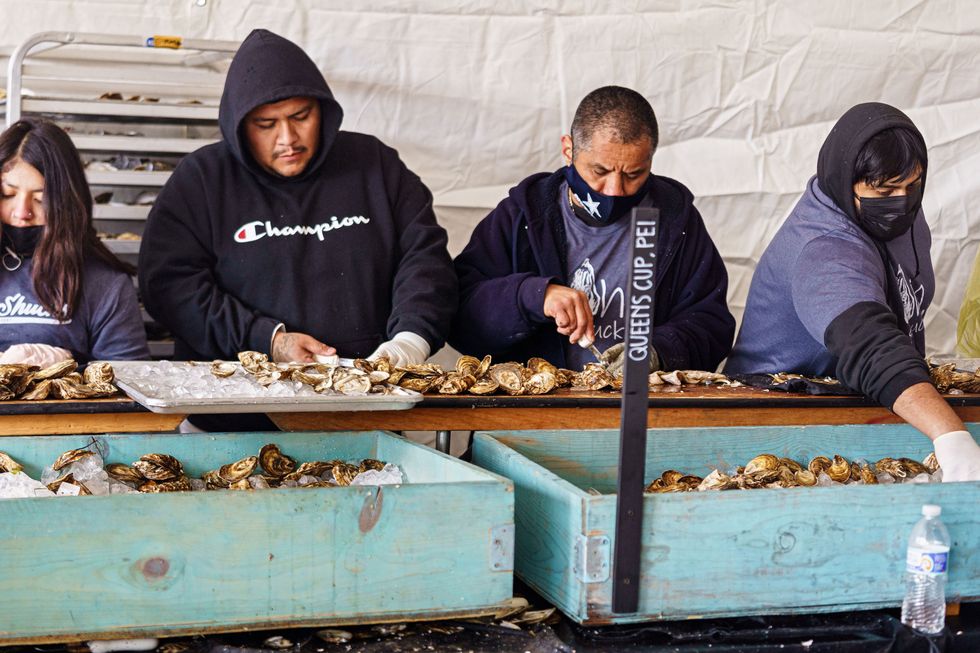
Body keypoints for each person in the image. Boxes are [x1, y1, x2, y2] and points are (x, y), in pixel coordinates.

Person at [139, 29, 455, 429]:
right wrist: (269, 340)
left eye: (300, 117)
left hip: (367, 412)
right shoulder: (202, 180)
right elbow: (169, 287)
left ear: (323, 110)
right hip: (231, 417)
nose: (287, 138)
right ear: (239, 126)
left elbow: (426, 263)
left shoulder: (375, 166)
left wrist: (409, 342)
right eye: (266, 124)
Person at [725, 102, 980, 482]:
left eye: (912, 185)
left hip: (853, 399)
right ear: (845, 181)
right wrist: (951, 437)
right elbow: (869, 345)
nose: (902, 201)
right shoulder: (824, 247)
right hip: (773, 425)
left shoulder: (899, 212)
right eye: (885, 190)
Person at [450, 86, 734, 373]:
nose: (615, 190)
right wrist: (533, 296)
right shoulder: (522, 215)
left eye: (634, 174)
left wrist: (658, 351)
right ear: (568, 150)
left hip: (640, 411)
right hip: (538, 411)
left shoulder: (675, 221)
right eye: (599, 171)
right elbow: (460, 318)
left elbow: (712, 324)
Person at [0, 118, 148, 366]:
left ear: (66, 202)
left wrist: (70, 367)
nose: (21, 211)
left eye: (41, 198)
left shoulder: (105, 283)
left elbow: (131, 378)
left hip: (65, 406)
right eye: (8, 195)